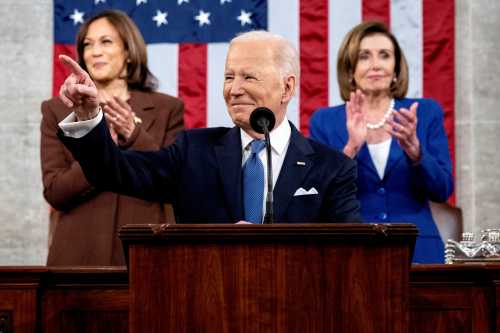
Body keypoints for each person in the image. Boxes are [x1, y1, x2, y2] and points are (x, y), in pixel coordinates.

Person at [55, 30, 361, 225]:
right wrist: (89, 115)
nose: (234, 89)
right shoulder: (193, 152)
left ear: (287, 87)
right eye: (229, 77)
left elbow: (347, 256)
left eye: (249, 77)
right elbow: (113, 171)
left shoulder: (332, 169)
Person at [41, 10, 184, 266]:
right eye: (88, 44)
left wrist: (134, 134)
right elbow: (55, 192)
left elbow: (173, 182)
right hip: (78, 258)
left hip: (147, 256)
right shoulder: (57, 110)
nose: (95, 51)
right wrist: (95, 142)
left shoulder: (168, 109)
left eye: (106, 42)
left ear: (128, 51)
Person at [309, 21, 453, 263]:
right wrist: (350, 149)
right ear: (350, 69)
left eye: (384, 56)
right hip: (354, 250)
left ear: (396, 69)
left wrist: (417, 154)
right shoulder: (324, 121)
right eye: (364, 56)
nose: (375, 65)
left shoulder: (425, 113)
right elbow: (317, 196)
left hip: (419, 249)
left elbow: (443, 190)